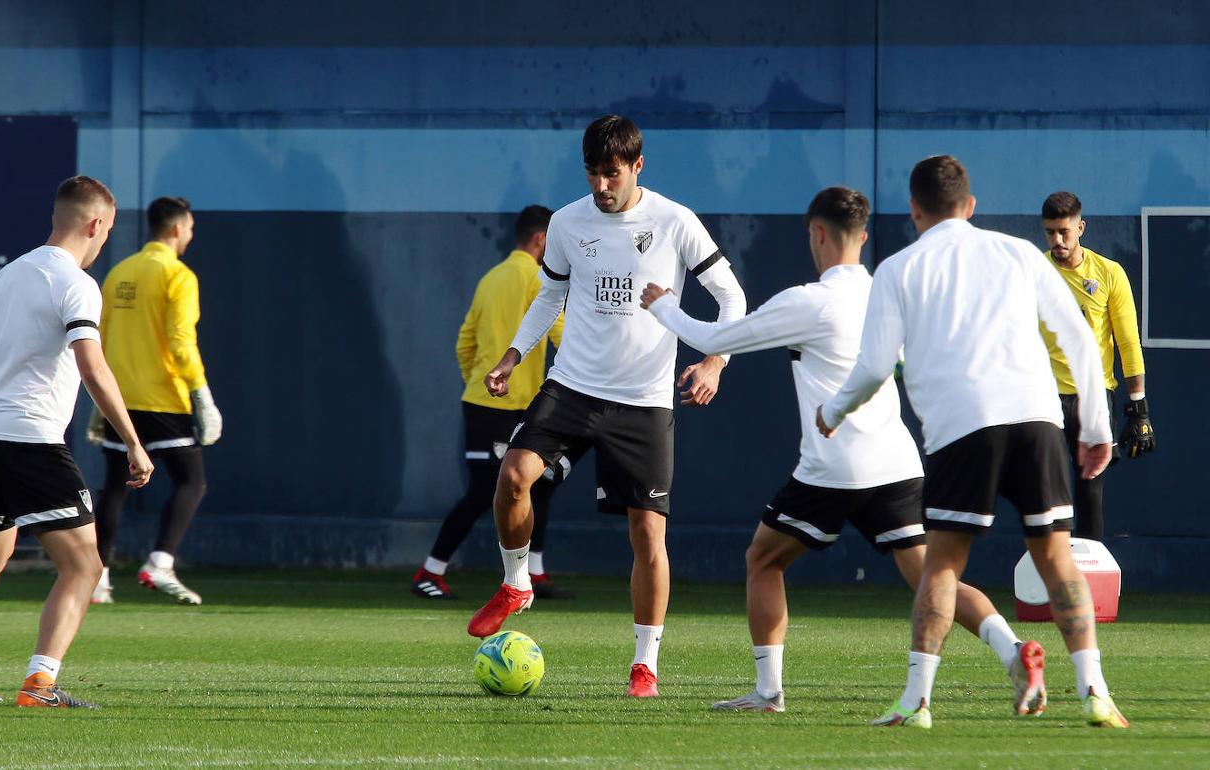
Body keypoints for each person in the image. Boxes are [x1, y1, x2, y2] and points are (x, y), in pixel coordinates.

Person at [639, 186, 1044, 715]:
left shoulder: (811, 301)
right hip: (896, 462)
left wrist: (663, 305)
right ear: (865, 236)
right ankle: (1013, 651)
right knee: (932, 577)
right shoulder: (889, 291)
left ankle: (768, 693)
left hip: (833, 466)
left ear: (817, 233)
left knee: (763, 559)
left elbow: (717, 335)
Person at [817, 156, 1128, 728]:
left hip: (963, 427)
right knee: (1057, 558)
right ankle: (1095, 692)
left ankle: (916, 702)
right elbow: (1081, 342)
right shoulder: (1017, 254)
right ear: (972, 205)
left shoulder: (898, 269)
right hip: (1037, 420)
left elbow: (872, 368)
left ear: (914, 210)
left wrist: (832, 410)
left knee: (940, 566)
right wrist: (1097, 427)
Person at [467, 115, 747, 698]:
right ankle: (517, 583)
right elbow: (550, 294)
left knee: (648, 536)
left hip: (643, 401)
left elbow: (732, 297)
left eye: (612, 174)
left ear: (637, 166)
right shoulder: (568, 222)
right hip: (572, 386)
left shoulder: (675, 221)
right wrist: (513, 355)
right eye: (593, 173)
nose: (601, 185)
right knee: (513, 474)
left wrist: (716, 361)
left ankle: (645, 663)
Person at [0, 176, 153, 708]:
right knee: (85, 566)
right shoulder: (75, 283)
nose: (106, 239)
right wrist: (133, 442)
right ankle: (40, 683)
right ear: (96, 224)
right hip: (32, 442)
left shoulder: (8, 275)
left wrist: (1, 399)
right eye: (108, 229)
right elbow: (92, 365)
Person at [411, 205, 575, 601]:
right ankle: (429, 572)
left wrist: (477, 383)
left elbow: (464, 342)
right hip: (505, 408)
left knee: (541, 485)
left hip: (488, 403)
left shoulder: (490, 278)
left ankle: (533, 573)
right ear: (541, 240)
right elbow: (561, 335)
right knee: (485, 492)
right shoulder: (538, 279)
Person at [88, 196, 221, 606]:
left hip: (119, 399)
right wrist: (201, 394)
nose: (191, 235)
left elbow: (100, 338)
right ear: (178, 228)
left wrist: (100, 401)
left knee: (114, 486)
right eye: (191, 228)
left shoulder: (119, 272)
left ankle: (97, 577)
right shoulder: (177, 275)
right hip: (163, 398)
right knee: (191, 481)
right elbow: (181, 340)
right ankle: (160, 562)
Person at [1039, 191, 1154, 541]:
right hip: (1045, 398)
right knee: (1046, 498)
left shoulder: (1108, 273)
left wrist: (1139, 406)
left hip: (1094, 399)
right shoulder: (1035, 271)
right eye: (1049, 233)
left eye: (1064, 232)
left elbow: (1127, 342)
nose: (1057, 241)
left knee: (1090, 496)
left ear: (1081, 228)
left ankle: (1090, 587)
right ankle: (1049, 582)